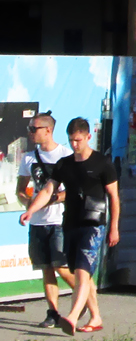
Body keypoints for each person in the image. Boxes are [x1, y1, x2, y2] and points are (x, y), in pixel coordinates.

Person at [19, 117, 119, 336]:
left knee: (82, 273)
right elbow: (47, 190)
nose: (75, 145)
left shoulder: (102, 163)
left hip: (93, 225)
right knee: (77, 271)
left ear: (88, 137)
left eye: (78, 140)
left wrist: (114, 227)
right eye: (72, 141)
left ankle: (72, 317)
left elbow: (114, 196)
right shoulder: (65, 164)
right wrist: (30, 210)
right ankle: (95, 316)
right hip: (70, 223)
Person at [16, 113, 75, 329]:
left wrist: (52, 199)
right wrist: (28, 203)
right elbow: (20, 190)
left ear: (48, 130)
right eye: (30, 129)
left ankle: (86, 297)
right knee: (46, 268)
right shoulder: (28, 158)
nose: (30, 133)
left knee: (61, 266)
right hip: (37, 223)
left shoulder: (66, 156)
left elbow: (75, 191)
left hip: (59, 220)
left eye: (34, 129)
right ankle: (53, 312)